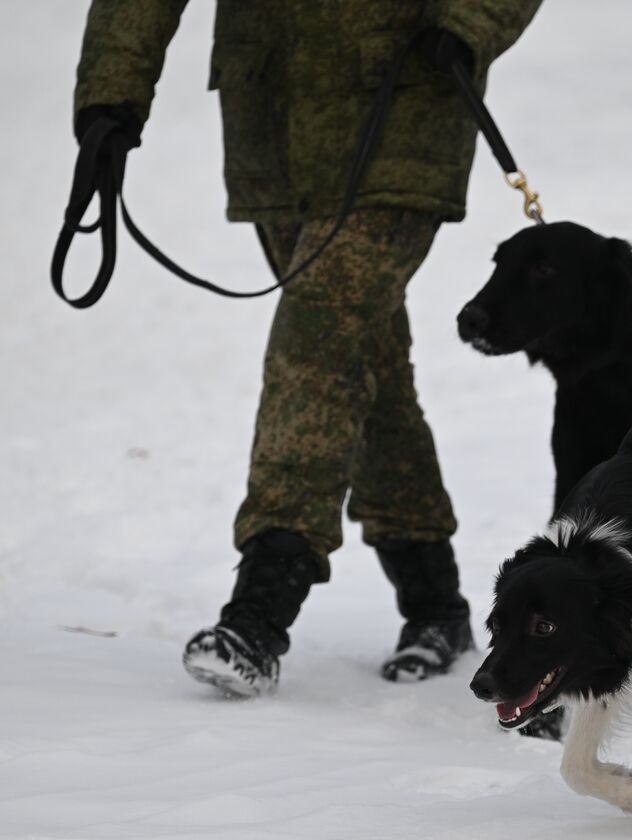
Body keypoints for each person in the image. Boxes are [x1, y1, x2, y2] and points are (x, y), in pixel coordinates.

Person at [72, 1, 544, 708]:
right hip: (276, 126)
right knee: (359, 358)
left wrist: (469, 21)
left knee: (316, 350)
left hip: (405, 106)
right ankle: (434, 601)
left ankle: (261, 609)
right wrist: (113, 92)